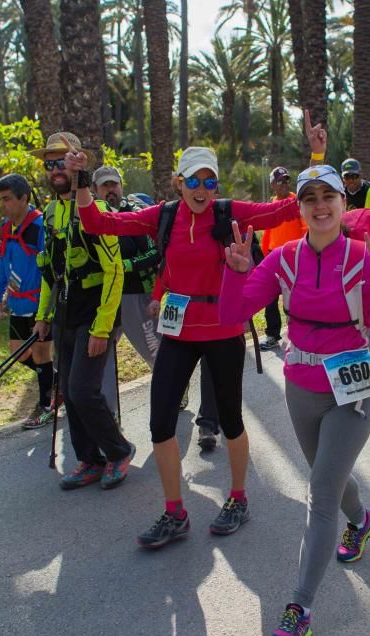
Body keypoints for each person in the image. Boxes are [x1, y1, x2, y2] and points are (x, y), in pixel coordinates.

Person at [219, 166, 370, 636]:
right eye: (309, 198)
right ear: (298, 208)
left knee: (320, 491)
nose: (319, 206)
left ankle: (299, 608)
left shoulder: (367, 259)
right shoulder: (283, 259)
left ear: (343, 204)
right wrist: (235, 276)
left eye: (328, 197)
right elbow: (232, 316)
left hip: (354, 391)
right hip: (301, 385)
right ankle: (361, 520)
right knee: (329, 476)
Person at [68, 138, 308, 548]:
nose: (202, 190)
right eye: (194, 181)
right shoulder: (161, 216)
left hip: (223, 330)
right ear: (178, 183)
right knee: (160, 423)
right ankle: (175, 511)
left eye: (210, 182)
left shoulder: (229, 212)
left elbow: (286, 208)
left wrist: (315, 158)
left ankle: (237, 498)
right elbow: (98, 223)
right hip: (178, 333)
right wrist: (81, 179)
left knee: (230, 420)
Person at [29, 132, 135, 491]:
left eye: (63, 161)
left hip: (94, 315)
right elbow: (50, 271)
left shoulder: (97, 210)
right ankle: (89, 459)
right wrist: (43, 316)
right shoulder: (49, 212)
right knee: (69, 393)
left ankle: (119, 451)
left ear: (76, 164)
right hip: (63, 316)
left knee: (84, 391)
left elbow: (115, 270)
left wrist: (103, 328)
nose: (56, 168)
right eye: (50, 162)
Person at [91, 165, 158, 417]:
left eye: (114, 184)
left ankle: (174, 389)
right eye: (105, 186)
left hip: (134, 295)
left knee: (153, 352)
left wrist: (126, 266)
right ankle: (109, 415)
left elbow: (154, 253)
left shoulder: (134, 214)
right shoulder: (90, 218)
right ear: (94, 190)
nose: (111, 190)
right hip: (103, 298)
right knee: (102, 359)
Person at [0, 174, 55, 429]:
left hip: (39, 305)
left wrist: (46, 311)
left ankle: (46, 405)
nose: (2, 205)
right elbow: (2, 263)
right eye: (0, 200)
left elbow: (50, 268)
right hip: (17, 304)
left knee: (40, 354)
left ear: (24, 198)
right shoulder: (7, 227)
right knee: (18, 351)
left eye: (7, 199)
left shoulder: (39, 228)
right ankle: (54, 382)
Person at [259, 166, 306, 351]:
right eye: (280, 181)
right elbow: (268, 233)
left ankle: (296, 334)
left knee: (294, 297)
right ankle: (272, 334)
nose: (285, 184)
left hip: (294, 256)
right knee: (270, 297)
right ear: (272, 185)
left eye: (287, 180)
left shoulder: (296, 201)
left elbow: (305, 228)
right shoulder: (271, 204)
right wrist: (264, 256)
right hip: (272, 257)